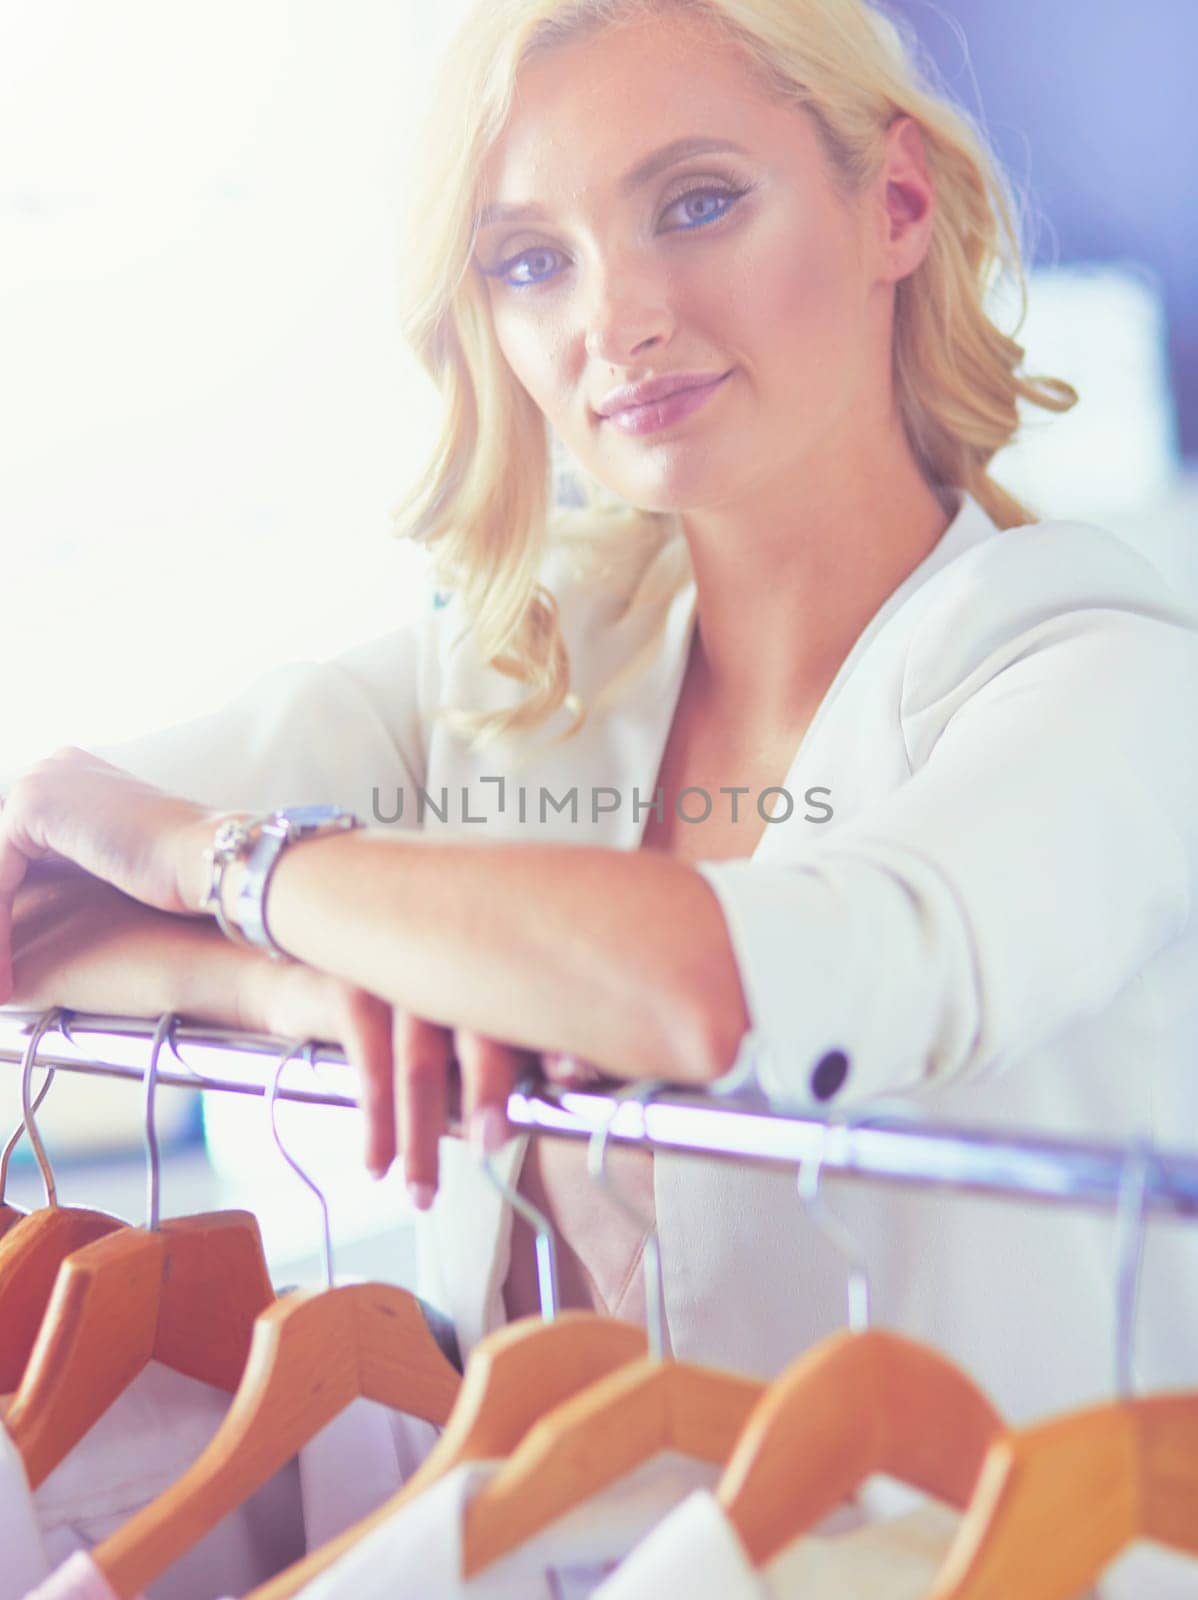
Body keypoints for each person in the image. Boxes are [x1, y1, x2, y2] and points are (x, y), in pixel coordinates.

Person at [2, 0, 1197, 1431]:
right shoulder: (511, 665)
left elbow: (717, 986)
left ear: (891, 205)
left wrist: (222, 868)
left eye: (695, 204)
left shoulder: (1100, 676)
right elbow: (25, 890)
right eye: (528, 262)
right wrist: (287, 989)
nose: (613, 319)